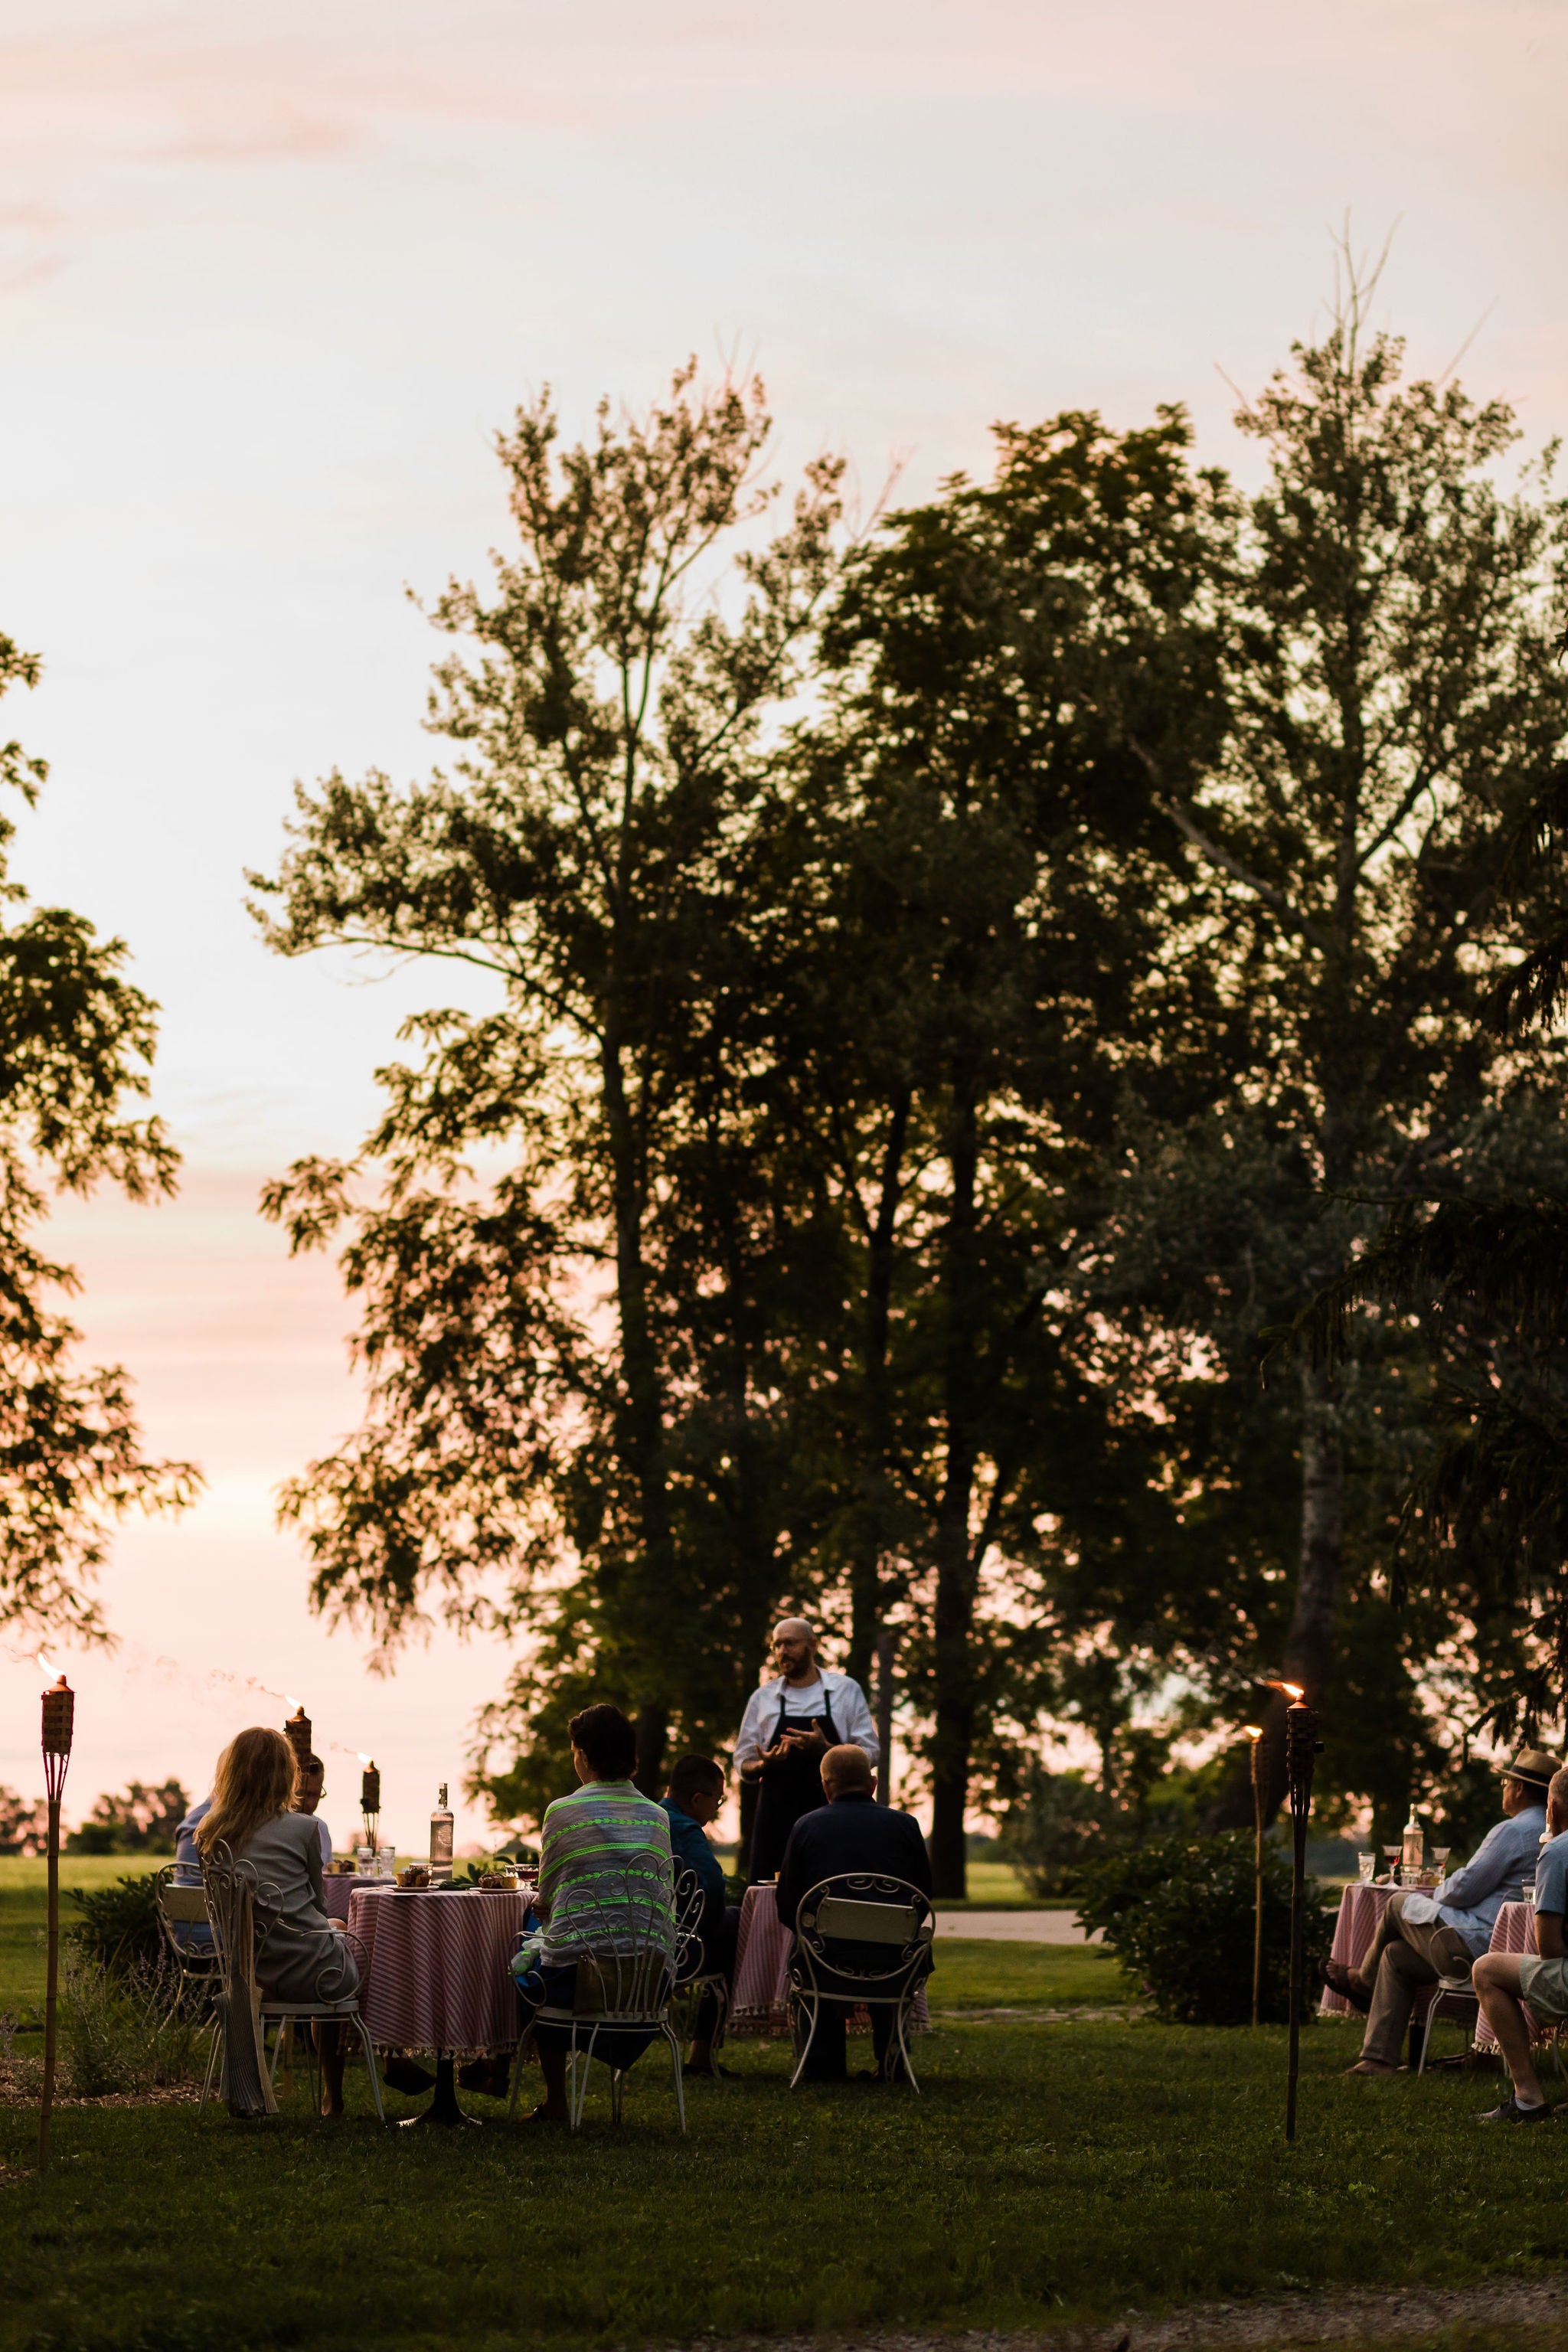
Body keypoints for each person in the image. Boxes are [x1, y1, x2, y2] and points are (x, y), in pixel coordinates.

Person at [1324, 1747, 1557, 2077]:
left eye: (1506, 1784)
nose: (1503, 1790)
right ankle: (1378, 2059)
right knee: (1395, 1955)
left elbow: (1464, 1889)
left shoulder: (1513, 1831)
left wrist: (1435, 1890)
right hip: (1513, 1947)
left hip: (1475, 1946)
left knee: (1395, 1904)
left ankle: (1363, 1980)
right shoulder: (1553, 1832)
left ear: (1519, 1788)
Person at [510, 1704, 676, 2125]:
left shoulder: (562, 1812)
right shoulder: (658, 1815)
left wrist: (539, 1908)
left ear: (582, 1754)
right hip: (647, 1981)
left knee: (528, 1955)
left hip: (580, 1983)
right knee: (552, 1943)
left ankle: (554, 2101)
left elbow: (545, 1899)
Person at [194, 1726, 361, 2117]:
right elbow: (318, 1908)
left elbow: (220, 1915)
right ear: (286, 1774)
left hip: (251, 1979)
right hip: (313, 1975)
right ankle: (338, 2093)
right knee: (338, 1933)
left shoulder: (210, 1834)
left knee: (331, 1935)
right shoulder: (307, 1828)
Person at [774, 1741, 933, 2083]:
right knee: (890, 1947)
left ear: (825, 1786)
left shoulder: (806, 1826)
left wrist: (822, 1942)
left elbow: (788, 1905)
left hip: (826, 1960)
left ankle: (820, 2066)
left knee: (807, 1944)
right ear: (872, 1784)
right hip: (894, 1962)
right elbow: (924, 1898)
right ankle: (892, 2063)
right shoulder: (906, 1826)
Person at [736, 1618, 879, 1883]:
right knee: (770, 1890)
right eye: (776, 1645)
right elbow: (743, 1762)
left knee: (834, 1886)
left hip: (834, 1813)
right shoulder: (762, 1698)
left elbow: (870, 1753)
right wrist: (764, 1765)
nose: (782, 1651)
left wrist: (826, 1749)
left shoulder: (845, 1691)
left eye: (789, 1643)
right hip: (775, 1816)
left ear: (812, 1645)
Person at [1472, 1763, 1568, 2122]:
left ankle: (1528, 2097)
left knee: (1487, 1969)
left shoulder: (1558, 1851)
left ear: (1553, 1809)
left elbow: (1550, 1949)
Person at [662, 1753, 737, 2077]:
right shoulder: (684, 1829)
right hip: (675, 1948)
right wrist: (702, 1930)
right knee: (735, 1921)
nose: (716, 1809)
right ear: (697, 1798)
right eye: (717, 1800)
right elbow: (713, 1887)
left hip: (625, 1936)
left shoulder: (648, 1819)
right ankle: (702, 2052)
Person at [292, 1753, 335, 1869]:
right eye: (306, 1794)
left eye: (316, 1795)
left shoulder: (321, 1828)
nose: (310, 1803)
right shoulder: (274, 1829)